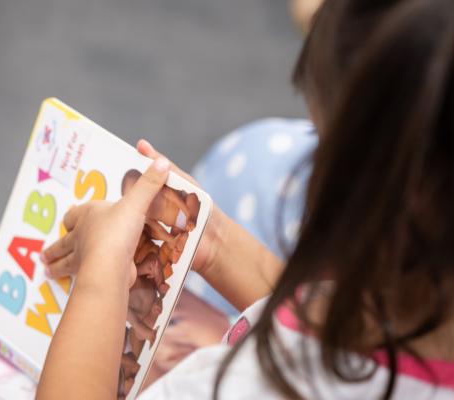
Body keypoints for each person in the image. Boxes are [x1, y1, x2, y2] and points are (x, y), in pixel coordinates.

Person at [37, 0, 454, 399]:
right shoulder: (408, 307)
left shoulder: (257, 384)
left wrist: (101, 271)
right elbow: (323, 316)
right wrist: (212, 239)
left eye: (319, 141)